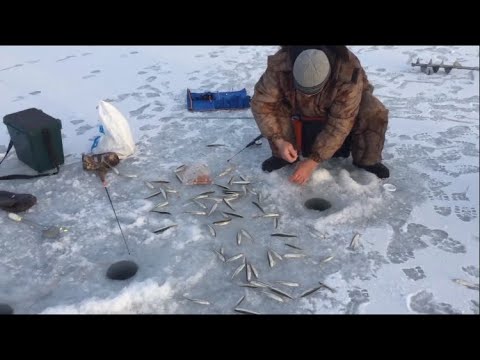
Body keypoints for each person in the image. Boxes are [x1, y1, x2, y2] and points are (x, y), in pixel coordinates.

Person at [251, 46, 390, 185]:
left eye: (313, 91)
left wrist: (313, 161)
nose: (307, 95)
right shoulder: (280, 65)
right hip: (295, 105)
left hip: (341, 107)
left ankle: (367, 160)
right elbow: (261, 104)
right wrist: (279, 141)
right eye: (303, 90)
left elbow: (341, 122)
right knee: (276, 106)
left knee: (373, 110)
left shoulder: (348, 72)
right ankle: (282, 156)